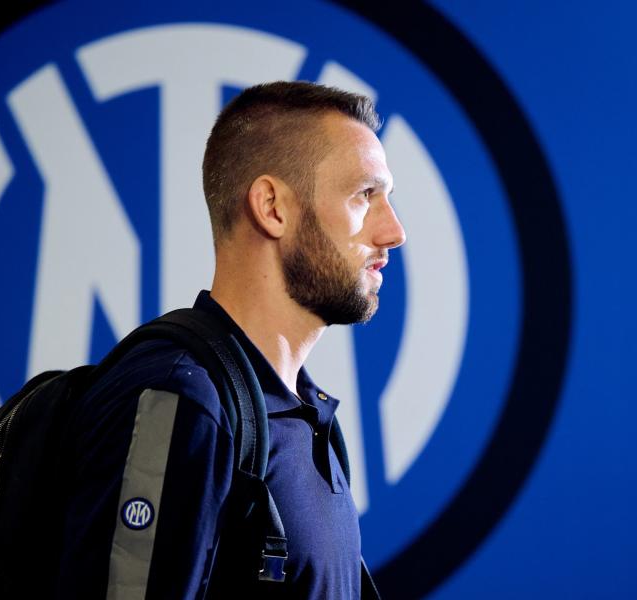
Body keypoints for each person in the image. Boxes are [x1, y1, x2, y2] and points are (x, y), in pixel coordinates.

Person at [56, 81, 406, 599]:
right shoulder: (179, 400)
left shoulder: (307, 420)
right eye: (364, 195)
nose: (393, 231)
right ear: (271, 207)